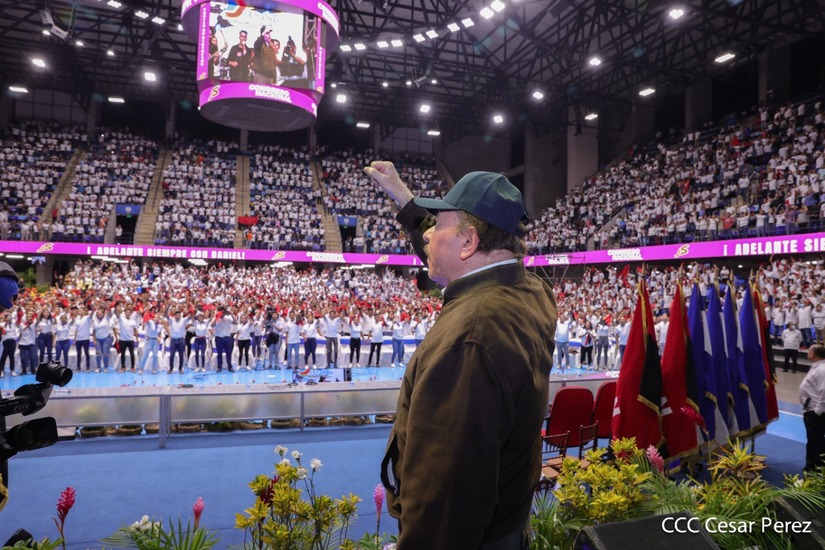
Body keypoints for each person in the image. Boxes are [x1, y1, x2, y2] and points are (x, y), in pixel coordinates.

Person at [365, 161, 558, 549]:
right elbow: (455, 257)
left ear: (469, 242)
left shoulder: (470, 340)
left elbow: (446, 500)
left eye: (438, 225)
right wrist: (403, 198)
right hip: (507, 524)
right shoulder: (529, 288)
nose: (429, 234)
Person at [800, 344, 825, 472]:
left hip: (816, 412)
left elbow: (824, 391)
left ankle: (813, 468)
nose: (807, 353)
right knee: (814, 440)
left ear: (812, 354)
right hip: (810, 409)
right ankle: (816, 465)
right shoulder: (817, 366)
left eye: (809, 351)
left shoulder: (822, 369)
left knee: (815, 442)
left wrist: (817, 412)